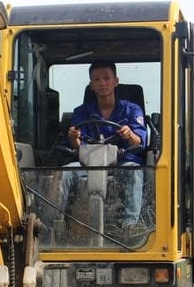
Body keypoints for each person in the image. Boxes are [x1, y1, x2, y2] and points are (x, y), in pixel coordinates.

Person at [58, 60, 148, 239]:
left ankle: (130, 225)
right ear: (91, 85)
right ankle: (54, 225)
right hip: (89, 165)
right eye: (97, 80)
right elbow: (78, 148)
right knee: (65, 173)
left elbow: (140, 142)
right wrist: (73, 138)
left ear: (116, 81)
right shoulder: (81, 112)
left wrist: (129, 134)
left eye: (107, 78)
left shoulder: (132, 110)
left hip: (122, 163)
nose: (102, 83)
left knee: (133, 170)